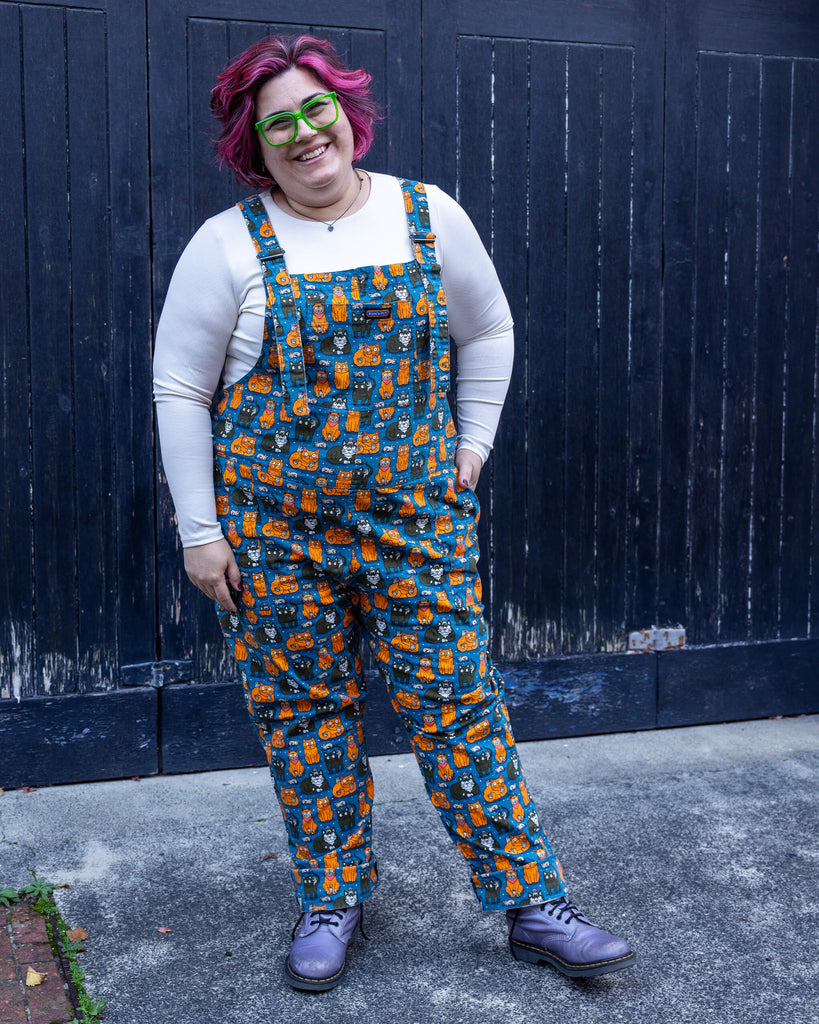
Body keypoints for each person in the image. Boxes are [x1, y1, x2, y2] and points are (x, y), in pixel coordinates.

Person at [153, 34, 635, 991]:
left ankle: (533, 902)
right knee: (304, 716)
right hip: (273, 538)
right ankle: (331, 898)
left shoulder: (427, 216)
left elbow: (487, 328)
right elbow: (178, 388)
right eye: (275, 121)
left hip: (417, 526)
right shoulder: (226, 244)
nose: (302, 133)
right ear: (255, 142)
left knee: (458, 706)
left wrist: (472, 444)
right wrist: (200, 533)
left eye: (313, 109)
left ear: (345, 111)